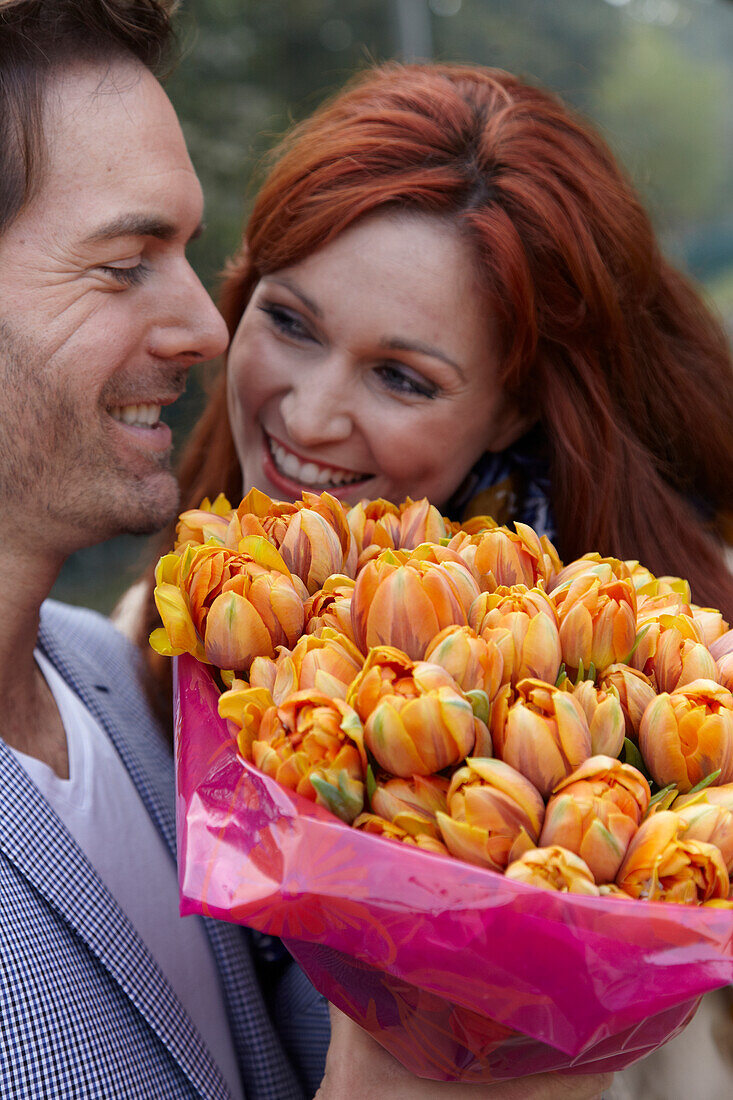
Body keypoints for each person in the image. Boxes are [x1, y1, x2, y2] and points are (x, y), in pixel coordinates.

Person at [0, 2, 611, 1098]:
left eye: (405, 375)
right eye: (123, 261)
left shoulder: (136, 684)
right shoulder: (173, 658)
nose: (206, 328)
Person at [132, 62, 733, 1097]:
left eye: (403, 376)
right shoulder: (179, 615)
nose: (309, 417)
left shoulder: (672, 674)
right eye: (290, 322)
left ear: (511, 411)